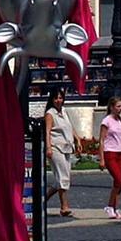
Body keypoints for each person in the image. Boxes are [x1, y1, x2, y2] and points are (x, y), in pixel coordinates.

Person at [44, 86, 75, 218]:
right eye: (56, 98)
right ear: (52, 99)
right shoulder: (50, 114)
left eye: (60, 98)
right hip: (56, 147)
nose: (58, 100)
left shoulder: (64, 111)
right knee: (63, 176)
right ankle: (64, 206)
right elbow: (47, 131)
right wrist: (48, 147)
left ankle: (42, 200)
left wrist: (78, 139)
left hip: (67, 147)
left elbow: (69, 127)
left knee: (61, 179)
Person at [100, 95, 121, 220]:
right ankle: (110, 206)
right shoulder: (106, 121)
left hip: (120, 153)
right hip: (110, 152)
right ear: (111, 107)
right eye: (118, 106)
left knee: (120, 182)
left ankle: (115, 207)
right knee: (118, 179)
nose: (120, 109)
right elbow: (101, 140)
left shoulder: (120, 121)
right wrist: (101, 158)